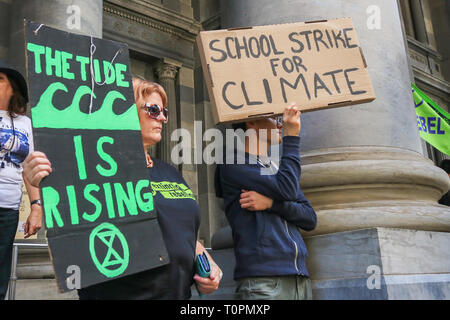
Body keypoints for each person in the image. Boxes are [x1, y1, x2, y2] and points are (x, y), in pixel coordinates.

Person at [23, 76, 222, 299]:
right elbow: (70, 213)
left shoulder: (170, 172)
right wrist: (41, 179)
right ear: (124, 111)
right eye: (154, 110)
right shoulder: (93, 170)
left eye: (164, 111)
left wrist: (209, 266)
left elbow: (185, 234)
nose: (163, 118)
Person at [215, 103, 317, 300]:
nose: (280, 125)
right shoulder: (233, 162)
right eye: (274, 119)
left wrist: (272, 204)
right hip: (264, 282)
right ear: (251, 121)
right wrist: (291, 137)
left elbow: (309, 217)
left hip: (299, 279)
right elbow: (286, 189)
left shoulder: (275, 169)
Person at [0, 60, 42, 299]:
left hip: (8, 209)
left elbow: (29, 167)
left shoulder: (24, 123)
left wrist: (36, 207)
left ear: (13, 88)